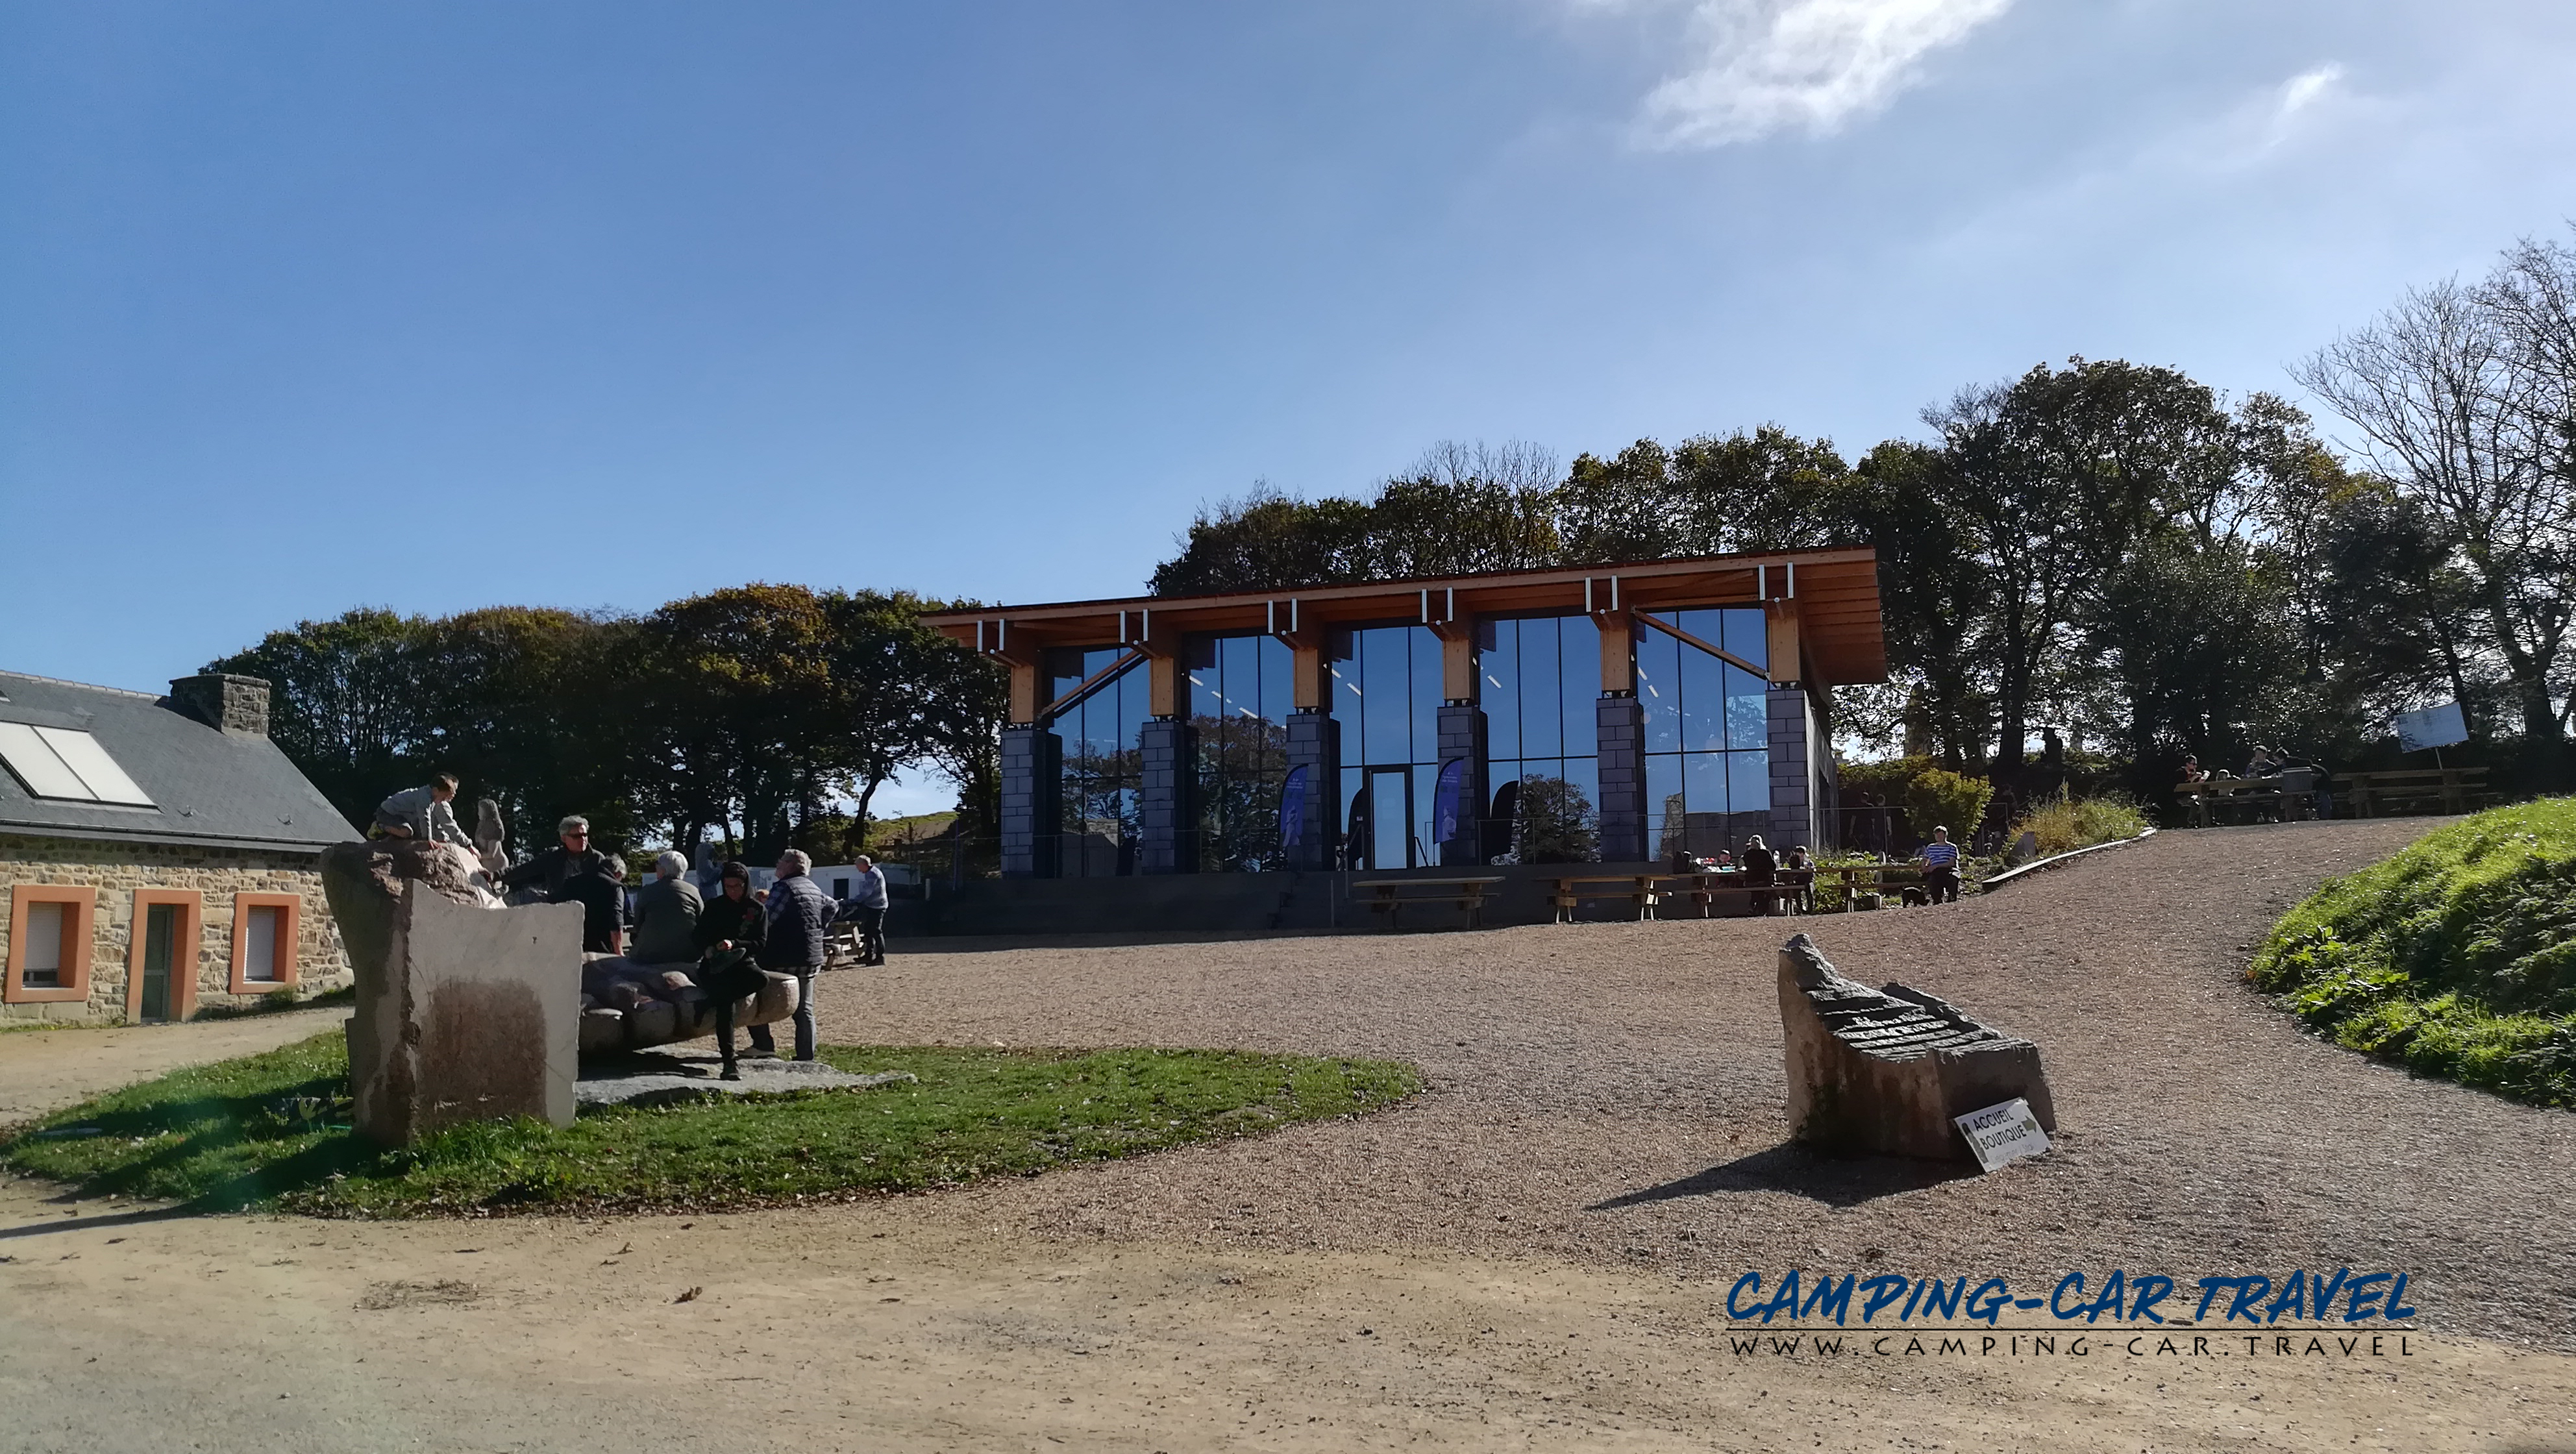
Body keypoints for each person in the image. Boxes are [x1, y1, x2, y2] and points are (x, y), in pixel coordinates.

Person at [750, 848, 835, 1063]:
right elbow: (833, 906)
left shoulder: (784, 888)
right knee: (805, 1010)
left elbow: (766, 921)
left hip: (782, 957)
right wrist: (818, 928)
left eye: (781, 861)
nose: (777, 865)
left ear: (790, 865)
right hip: (810, 957)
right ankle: (806, 1057)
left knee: (754, 997)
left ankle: (763, 1045)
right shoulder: (813, 888)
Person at [691, 860, 767, 1080]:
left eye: (737, 886)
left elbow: (760, 943)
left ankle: (709, 1002)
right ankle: (729, 1063)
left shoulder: (756, 909)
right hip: (715, 964)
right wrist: (708, 948)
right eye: (728, 886)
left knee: (761, 980)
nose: (733, 891)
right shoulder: (714, 906)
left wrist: (735, 943)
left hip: (741, 963)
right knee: (726, 1008)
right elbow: (698, 935)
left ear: (746, 885)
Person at [501, 816, 602, 902]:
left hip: (591, 913)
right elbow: (526, 868)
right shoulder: (554, 857)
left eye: (585, 835)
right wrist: (498, 876)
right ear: (564, 838)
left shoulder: (598, 859)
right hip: (560, 910)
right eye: (577, 836)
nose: (583, 839)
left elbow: (612, 887)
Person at [629, 850, 704, 965]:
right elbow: (701, 921)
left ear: (663, 870)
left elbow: (638, 923)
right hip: (687, 954)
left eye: (657, 866)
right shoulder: (693, 891)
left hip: (650, 954)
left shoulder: (647, 891)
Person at [556, 850, 626, 955]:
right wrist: (619, 952)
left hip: (573, 948)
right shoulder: (615, 888)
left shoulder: (571, 883)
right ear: (618, 874)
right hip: (602, 950)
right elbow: (616, 920)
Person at [373, 774, 471, 846]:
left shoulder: (430, 797)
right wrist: (428, 839)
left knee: (409, 834)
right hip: (386, 813)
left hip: (400, 817)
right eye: (443, 798)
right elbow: (424, 818)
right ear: (436, 791)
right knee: (406, 832)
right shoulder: (424, 798)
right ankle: (380, 826)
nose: (443, 801)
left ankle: (388, 834)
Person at [844, 854, 889, 967]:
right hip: (873, 905)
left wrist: (852, 901)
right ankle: (868, 955)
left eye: (858, 866)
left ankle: (879, 957)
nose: (858, 869)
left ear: (863, 865)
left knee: (876, 931)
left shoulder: (872, 874)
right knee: (869, 931)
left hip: (877, 906)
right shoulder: (872, 872)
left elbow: (867, 893)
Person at [1920, 826, 1962, 904]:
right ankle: (1937, 900)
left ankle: (1952, 898)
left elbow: (1951, 863)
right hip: (1935, 870)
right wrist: (1924, 866)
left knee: (1953, 878)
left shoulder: (1951, 847)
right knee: (1932, 879)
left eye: (1940, 835)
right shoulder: (1930, 847)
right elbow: (1925, 859)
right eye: (1937, 835)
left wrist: (1937, 866)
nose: (1939, 837)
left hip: (1948, 869)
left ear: (1945, 835)